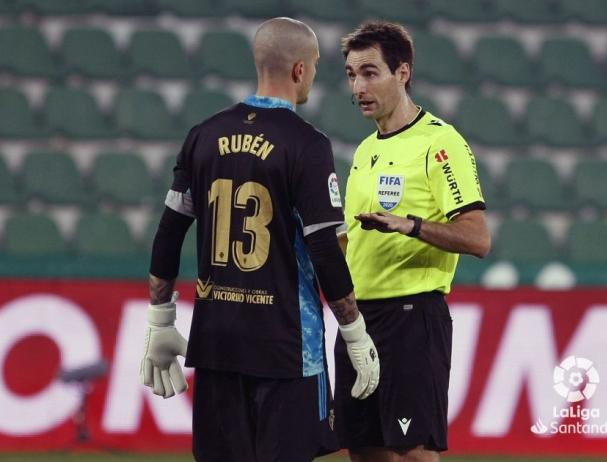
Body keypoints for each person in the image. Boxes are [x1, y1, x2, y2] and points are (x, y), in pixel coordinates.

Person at [139, 17, 380, 462]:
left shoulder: (203, 135)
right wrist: (354, 330)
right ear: (299, 70)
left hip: (216, 344)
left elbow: (169, 232)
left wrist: (160, 319)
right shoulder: (307, 145)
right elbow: (325, 248)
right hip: (284, 349)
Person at [334, 21, 491, 462]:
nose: (358, 86)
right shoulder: (366, 151)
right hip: (358, 322)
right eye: (351, 74)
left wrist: (412, 225)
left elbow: (478, 238)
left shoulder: (440, 143)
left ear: (402, 73)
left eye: (370, 72)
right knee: (364, 451)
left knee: (412, 453)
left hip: (411, 318)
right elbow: (353, 242)